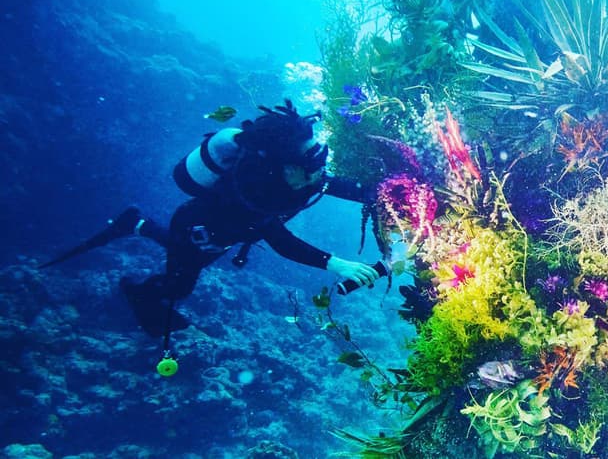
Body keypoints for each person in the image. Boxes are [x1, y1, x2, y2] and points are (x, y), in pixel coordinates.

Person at [42, 100, 382, 339]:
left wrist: (379, 193)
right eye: (310, 171)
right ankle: (138, 292)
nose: (318, 176)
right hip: (196, 229)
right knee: (180, 284)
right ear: (288, 168)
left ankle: (137, 224)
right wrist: (335, 263)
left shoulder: (300, 174)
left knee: (197, 258)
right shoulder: (255, 190)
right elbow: (278, 239)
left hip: (227, 235)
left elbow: (331, 184)